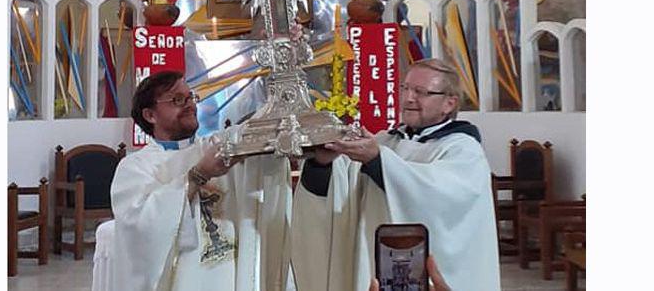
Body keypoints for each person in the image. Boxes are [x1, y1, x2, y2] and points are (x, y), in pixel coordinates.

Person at [291, 59, 501, 291]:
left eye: (421, 92)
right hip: (372, 273)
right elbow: (340, 197)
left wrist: (378, 160)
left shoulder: (463, 150)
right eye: (406, 88)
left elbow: (439, 198)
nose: (409, 98)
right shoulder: (385, 141)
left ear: (449, 103)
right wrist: (322, 162)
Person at [110, 70, 293, 291]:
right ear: (150, 115)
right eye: (177, 99)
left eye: (190, 97)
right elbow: (140, 229)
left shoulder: (214, 147)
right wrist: (198, 175)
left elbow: (248, 133)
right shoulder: (136, 167)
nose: (189, 105)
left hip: (228, 277)